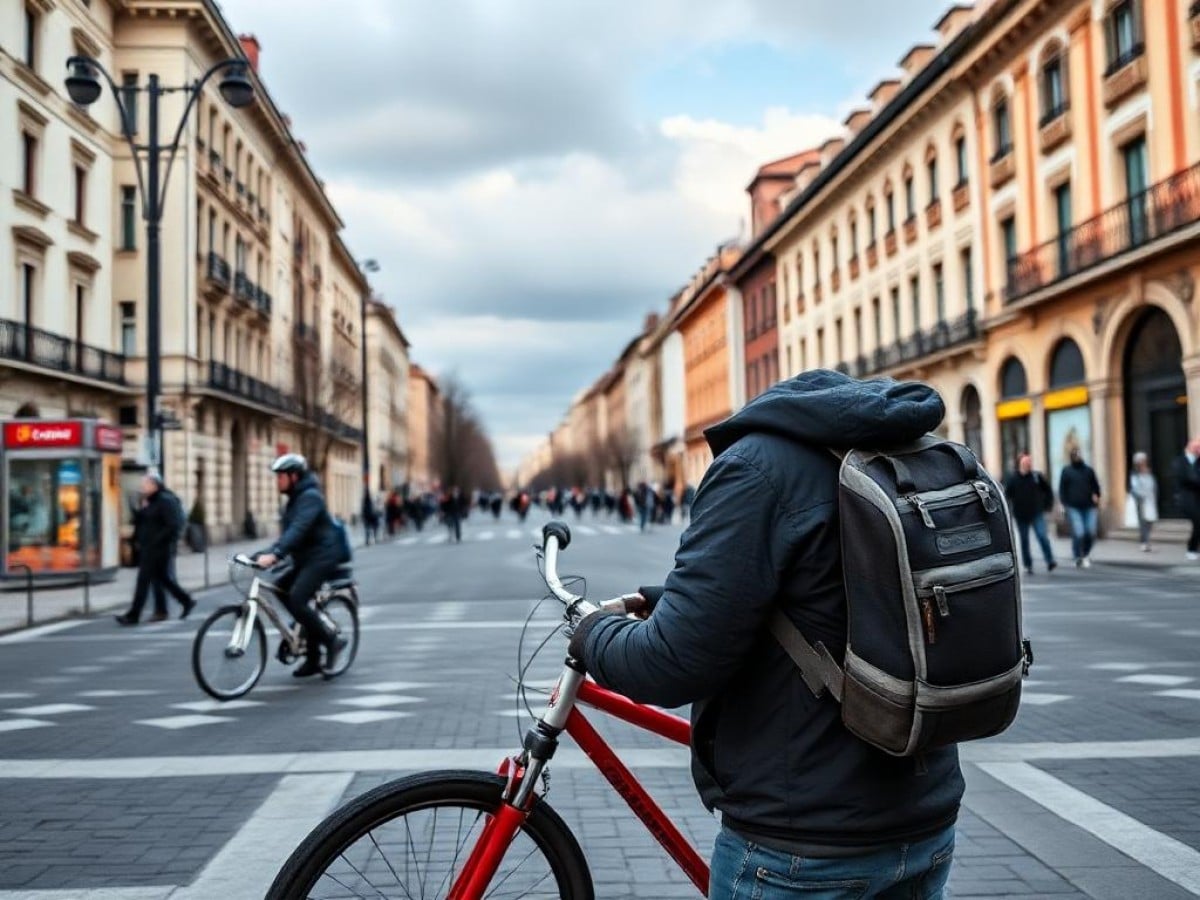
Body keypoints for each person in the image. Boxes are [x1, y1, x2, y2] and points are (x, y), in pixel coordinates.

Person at [569, 371, 962, 898]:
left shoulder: (756, 467)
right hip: (926, 818)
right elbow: (834, 596)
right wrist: (680, 601)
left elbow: (670, 664)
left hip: (802, 844)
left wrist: (592, 634)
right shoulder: (910, 450)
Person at [254, 454, 348, 678]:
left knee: (297, 598)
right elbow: (288, 536)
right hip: (307, 558)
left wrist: (276, 554)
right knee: (282, 588)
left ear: (293, 476)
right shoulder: (295, 499)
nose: (277, 481)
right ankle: (313, 657)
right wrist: (261, 554)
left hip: (323, 556)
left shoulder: (310, 497)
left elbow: (298, 529)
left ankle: (331, 640)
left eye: (280, 476)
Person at [116, 474, 195, 625]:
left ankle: (133, 615)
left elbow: (173, 525)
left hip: (158, 549)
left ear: (154, 485)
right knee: (164, 579)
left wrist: (157, 540)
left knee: (143, 581)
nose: (142, 487)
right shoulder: (151, 501)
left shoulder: (165, 500)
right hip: (149, 547)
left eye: (146, 484)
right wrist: (135, 507)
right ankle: (186, 601)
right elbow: (143, 520)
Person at [1003, 452, 1057, 575]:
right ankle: (1028, 564)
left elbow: (1048, 490)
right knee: (1024, 540)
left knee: (1042, 536)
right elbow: (1007, 495)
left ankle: (1050, 561)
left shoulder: (1036, 476)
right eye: (1026, 462)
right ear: (1020, 464)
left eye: (1029, 462)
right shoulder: (1013, 479)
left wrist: (1047, 505)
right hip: (1021, 514)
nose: (1028, 464)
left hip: (1037, 512)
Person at [1058, 447, 1102, 568]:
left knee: (1091, 532)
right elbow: (1062, 489)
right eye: (1075, 455)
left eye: (1079, 455)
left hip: (1089, 506)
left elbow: (1096, 486)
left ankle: (1085, 554)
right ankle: (1077, 555)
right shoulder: (1066, 471)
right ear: (1071, 457)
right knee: (1079, 532)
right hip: (1073, 507)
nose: (1077, 457)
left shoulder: (1088, 470)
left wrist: (1097, 495)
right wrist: (1062, 504)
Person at [1173, 437, 1200, 560]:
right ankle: (1191, 549)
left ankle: (1193, 548)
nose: (1198, 449)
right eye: (1197, 447)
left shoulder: (1198, 462)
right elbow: (1186, 479)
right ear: (1189, 447)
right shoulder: (1180, 462)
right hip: (1186, 499)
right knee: (1198, 521)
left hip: (1197, 498)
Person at [1127, 451, 1158, 552]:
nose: (1143, 461)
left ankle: (1145, 540)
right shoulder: (1135, 473)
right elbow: (1134, 487)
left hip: (1150, 499)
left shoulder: (1149, 471)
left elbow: (1153, 484)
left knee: (1150, 520)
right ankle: (1144, 542)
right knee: (1143, 522)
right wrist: (1140, 496)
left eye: (1144, 460)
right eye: (1141, 460)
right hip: (1141, 500)